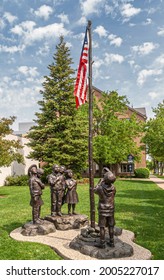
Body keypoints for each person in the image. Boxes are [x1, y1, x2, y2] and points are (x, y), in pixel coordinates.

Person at [94, 169, 116, 248]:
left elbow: (94, 190)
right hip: (111, 208)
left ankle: (102, 243)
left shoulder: (100, 188)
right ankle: (112, 241)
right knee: (111, 226)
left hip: (103, 209)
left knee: (102, 226)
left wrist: (99, 182)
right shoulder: (113, 188)